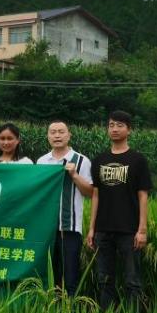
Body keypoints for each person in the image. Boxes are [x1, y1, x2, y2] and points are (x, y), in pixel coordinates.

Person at [87, 110, 152, 311]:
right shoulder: (99, 160)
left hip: (129, 230)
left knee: (132, 281)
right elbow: (96, 195)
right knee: (104, 279)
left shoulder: (138, 160)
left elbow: (143, 195)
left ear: (129, 130)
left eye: (120, 125)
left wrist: (142, 230)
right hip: (103, 229)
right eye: (111, 125)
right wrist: (92, 229)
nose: (114, 129)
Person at [36, 120, 93, 296]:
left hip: (70, 228)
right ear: (48, 136)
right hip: (46, 229)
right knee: (49, 274)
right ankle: (50, 306)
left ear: (69, 135)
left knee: (70, 275)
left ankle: (70, 308)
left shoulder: (81, 160)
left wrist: (74, 175)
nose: (57, 135)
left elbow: (90, 192)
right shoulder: (42, 161)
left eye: (61, 132)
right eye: (53, 132)